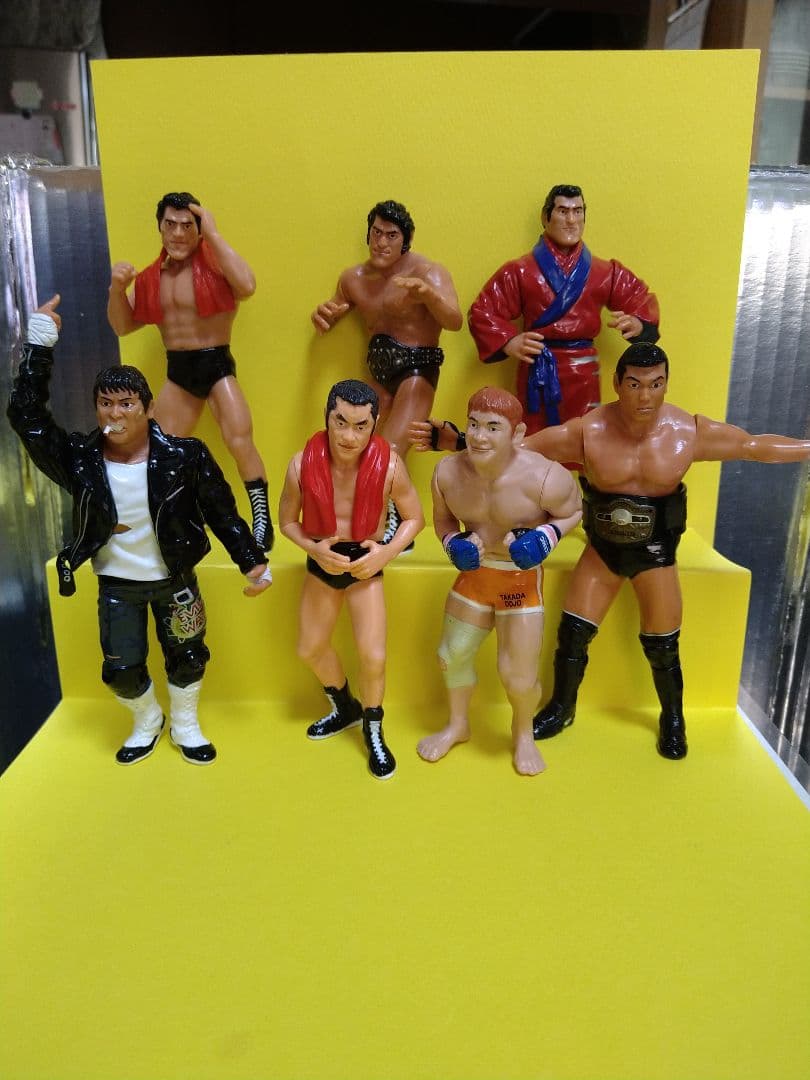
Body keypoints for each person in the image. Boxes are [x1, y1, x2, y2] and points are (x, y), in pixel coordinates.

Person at [410, 341, 810, 759]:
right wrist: (461, 440)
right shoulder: (589, 431)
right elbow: (518, 445)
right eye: (634, 384)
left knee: (662, 644)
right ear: (617, 383)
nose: (645, 396)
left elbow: (752, 446)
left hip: (655, 552)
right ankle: (561, 707)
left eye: (656, 384)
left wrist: (806, 448)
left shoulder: (688, 432)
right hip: (602, 549)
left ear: (667, 384)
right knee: (573, 634)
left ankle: (673, 717)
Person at [7, 294, 272, 767]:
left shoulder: (185, 456)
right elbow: (27, 420)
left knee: (188, 657)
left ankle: (185, 724)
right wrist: (39, 346)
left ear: (148, 409)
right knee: (121, 671)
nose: (115, 414)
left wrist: (252, 560)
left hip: (175, 581)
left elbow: (223, 513)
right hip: (117, 586)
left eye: (127, 404)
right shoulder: (80, 461)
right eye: (106, 404)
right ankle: (148, 719)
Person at [418, 387, 581, 776]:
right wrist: (453, 542)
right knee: (451, 655)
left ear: (517, 433)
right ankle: (458, 725)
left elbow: (573, 510)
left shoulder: (544, 476)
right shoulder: (447, 472)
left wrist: (544, 538)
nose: (479, 436)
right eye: (474, 424)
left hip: (518, 583)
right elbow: (442, 520)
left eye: (493, 427)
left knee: (518, 677)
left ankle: (523, 734)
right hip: (475, 578)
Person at [106, 191, 274, 551]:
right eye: (171, 224)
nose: (178, 233)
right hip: (179, 371)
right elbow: (122, 325)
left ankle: (262, 519)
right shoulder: (152, 279)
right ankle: (164, 519)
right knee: (160, 450)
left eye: (187, 225)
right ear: (160, 228)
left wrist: (213, 233)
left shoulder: (217, 269)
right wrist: (117, 289)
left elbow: (247, 285)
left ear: (199, 230)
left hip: (217, 365)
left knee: (239, 440)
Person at [278, 378, 424, 779]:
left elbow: (414, 518)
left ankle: (373, 727)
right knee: (310, 648)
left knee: (373, 655)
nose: (348, 436)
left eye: (361, 426)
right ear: (326, 417)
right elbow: (287, 521)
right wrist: (313, 549)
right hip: (323, 559)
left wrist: (386, 552)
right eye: (340, 422)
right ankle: (345, 706)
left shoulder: (390, 466)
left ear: (375, 424)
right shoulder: (300, 464)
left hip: (366, 562)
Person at [311, 199, 462, 541]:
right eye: (376, 233)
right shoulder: (354, 279)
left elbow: (454, 320)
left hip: (417, 370)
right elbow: (337, 309)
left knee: (390, 450)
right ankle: (361, 520)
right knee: (362, 446)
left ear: (405, 240)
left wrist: (429, 295)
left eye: (391, 235)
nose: (381, 242)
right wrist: (324, 316)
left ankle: (397, 521)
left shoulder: (427, 272)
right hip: (378, 372)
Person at [468, 183, 660, 438]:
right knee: (533, 437)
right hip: (537, 368)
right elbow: (482, 311)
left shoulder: (604, 271)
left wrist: (637, 323)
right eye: (562, 211)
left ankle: (583, 465)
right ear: (546, 217)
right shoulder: (520, 271)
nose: (571, 220)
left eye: (578, 211)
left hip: (583, 370)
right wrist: (508, 341)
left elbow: (640, 297)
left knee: (584, 435)